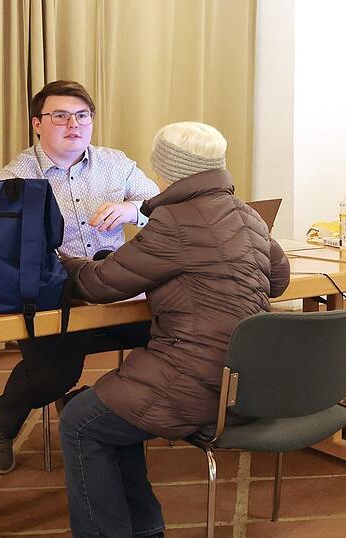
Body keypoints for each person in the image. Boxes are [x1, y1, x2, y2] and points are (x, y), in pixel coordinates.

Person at [58, 122, 291, 537]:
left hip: (198, 378)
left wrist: (62, 260)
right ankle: (146, 529)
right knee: (107, 406)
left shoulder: (174, 221)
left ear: (165, 167)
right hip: (249, 378)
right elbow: (277, 280)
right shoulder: (247, 214)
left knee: (81, 420)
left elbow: (99, 284)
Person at [0, 80, 161, 474]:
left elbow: (159, 207)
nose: (73, 124)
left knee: (172, 335)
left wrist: (133, 209)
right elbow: (1, 246)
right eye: (59, 116)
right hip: (52, 299)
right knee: (54, 372)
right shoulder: (16, 177)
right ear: (37, 124)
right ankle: (1, 425)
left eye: (82, 116)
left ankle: (97, 404)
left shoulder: (117, 163)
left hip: (115, 292)